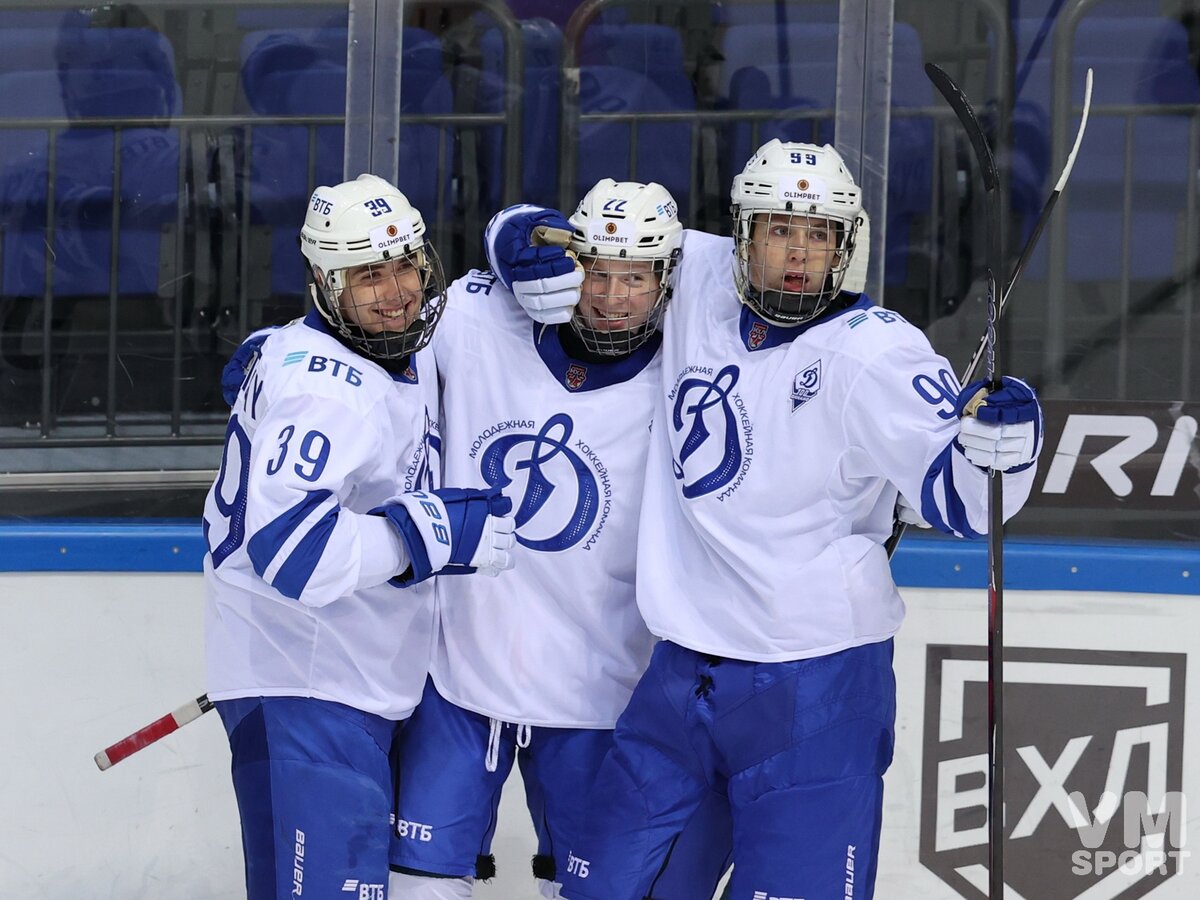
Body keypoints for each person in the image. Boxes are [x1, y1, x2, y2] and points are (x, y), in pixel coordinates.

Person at [508, 141, 1045, 900]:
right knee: (600, 889)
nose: (799, 252)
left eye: (820, 234)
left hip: (814, 689)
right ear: (741, 235)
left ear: (844, 245)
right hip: (680, 676)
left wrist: (1004, 451)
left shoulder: (877, 354)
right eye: (779, 230)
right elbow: (569, 234)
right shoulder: (691, 278)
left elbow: (960, 501)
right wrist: (516, 241)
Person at [387, 180, 731, 900]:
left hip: (602, 688)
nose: (610, 295)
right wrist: (279, 349)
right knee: (418, 889)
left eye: (635, 277)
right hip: (459, 676)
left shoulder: (691, 375)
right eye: (597, 270)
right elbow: (385, 320)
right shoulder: (485, 320)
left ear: (667, 279)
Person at [203, 173, 516, 900]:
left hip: (343, 684)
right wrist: (426, 535)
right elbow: (290, 554)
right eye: (367, 275)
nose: (397, 290)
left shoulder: (381, 348)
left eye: (406, 265)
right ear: (321, 279)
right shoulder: (326, 390)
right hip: (302, 688)